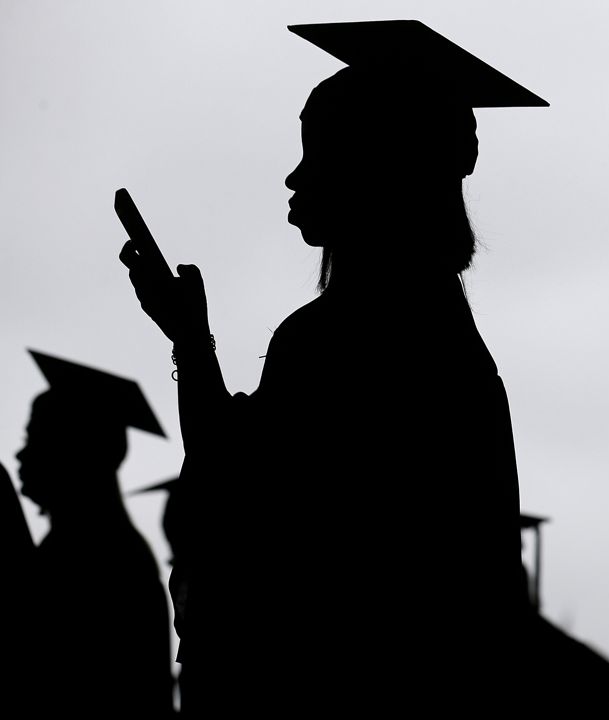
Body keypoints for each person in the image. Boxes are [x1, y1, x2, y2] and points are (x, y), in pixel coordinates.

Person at [118, 20, 545, 715]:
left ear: (376, 170)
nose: (295, 176)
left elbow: (240, 500)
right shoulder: (438, 335)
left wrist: (192, 346)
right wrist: (189, 339)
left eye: (319, 152)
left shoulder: (343, 342)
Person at [14, 350, 175, 716]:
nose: (21, 455)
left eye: (37, 438)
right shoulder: (105, 547)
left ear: (80, 452)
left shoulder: (96, 559)